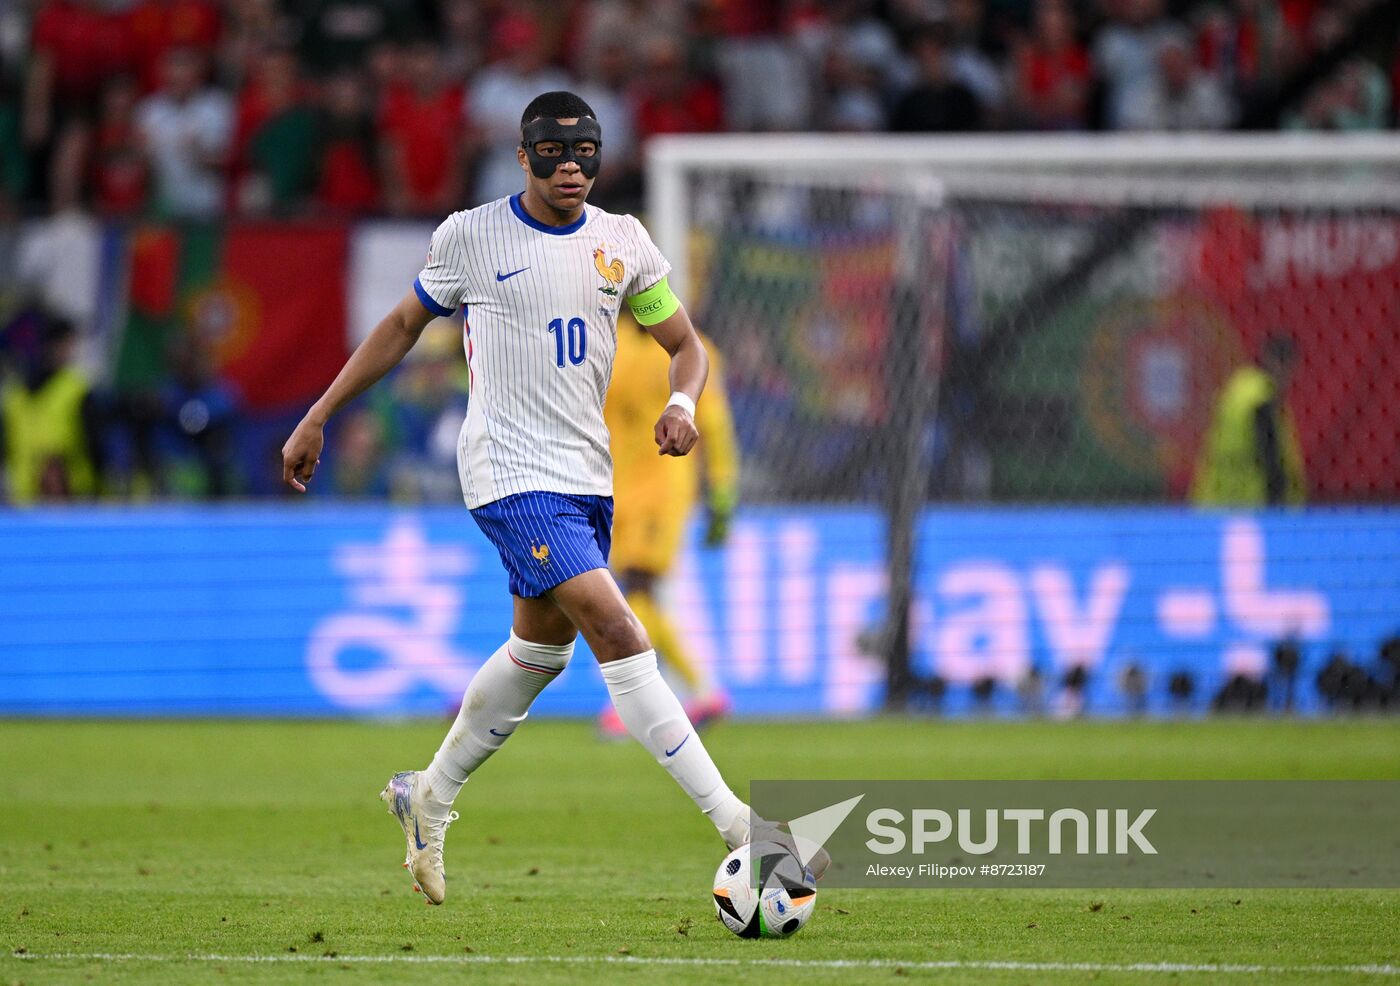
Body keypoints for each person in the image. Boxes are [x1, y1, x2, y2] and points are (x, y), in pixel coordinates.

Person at [281, 91, 817, 907]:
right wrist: (320, 415)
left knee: (541, 653)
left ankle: (428, 792)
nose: (572, 165)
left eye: (587, 151)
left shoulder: (622, 244)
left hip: (584, 477)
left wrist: (681, 404)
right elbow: (399, 327)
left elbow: (686, 347)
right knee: (617, 625)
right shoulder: (471, 236)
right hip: (506, 472)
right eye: (555, 151)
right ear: (522, 156)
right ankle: (740, 823)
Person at [599, 314, 739, 738]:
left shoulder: (692, 352)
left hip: (664, 485)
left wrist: (721, 494)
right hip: (613, 486)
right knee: (635, 594)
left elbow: (714, 426)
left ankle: (631, 702)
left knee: (637, 587)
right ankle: (704, 693)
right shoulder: (610, 341)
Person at [1192, 335, 1306, 507]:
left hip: (1214, 497)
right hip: (1250, 500)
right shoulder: (1262, 399)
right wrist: (1280, 501)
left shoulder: (1238, 387)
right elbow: (1270, 455)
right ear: (1281, 364)